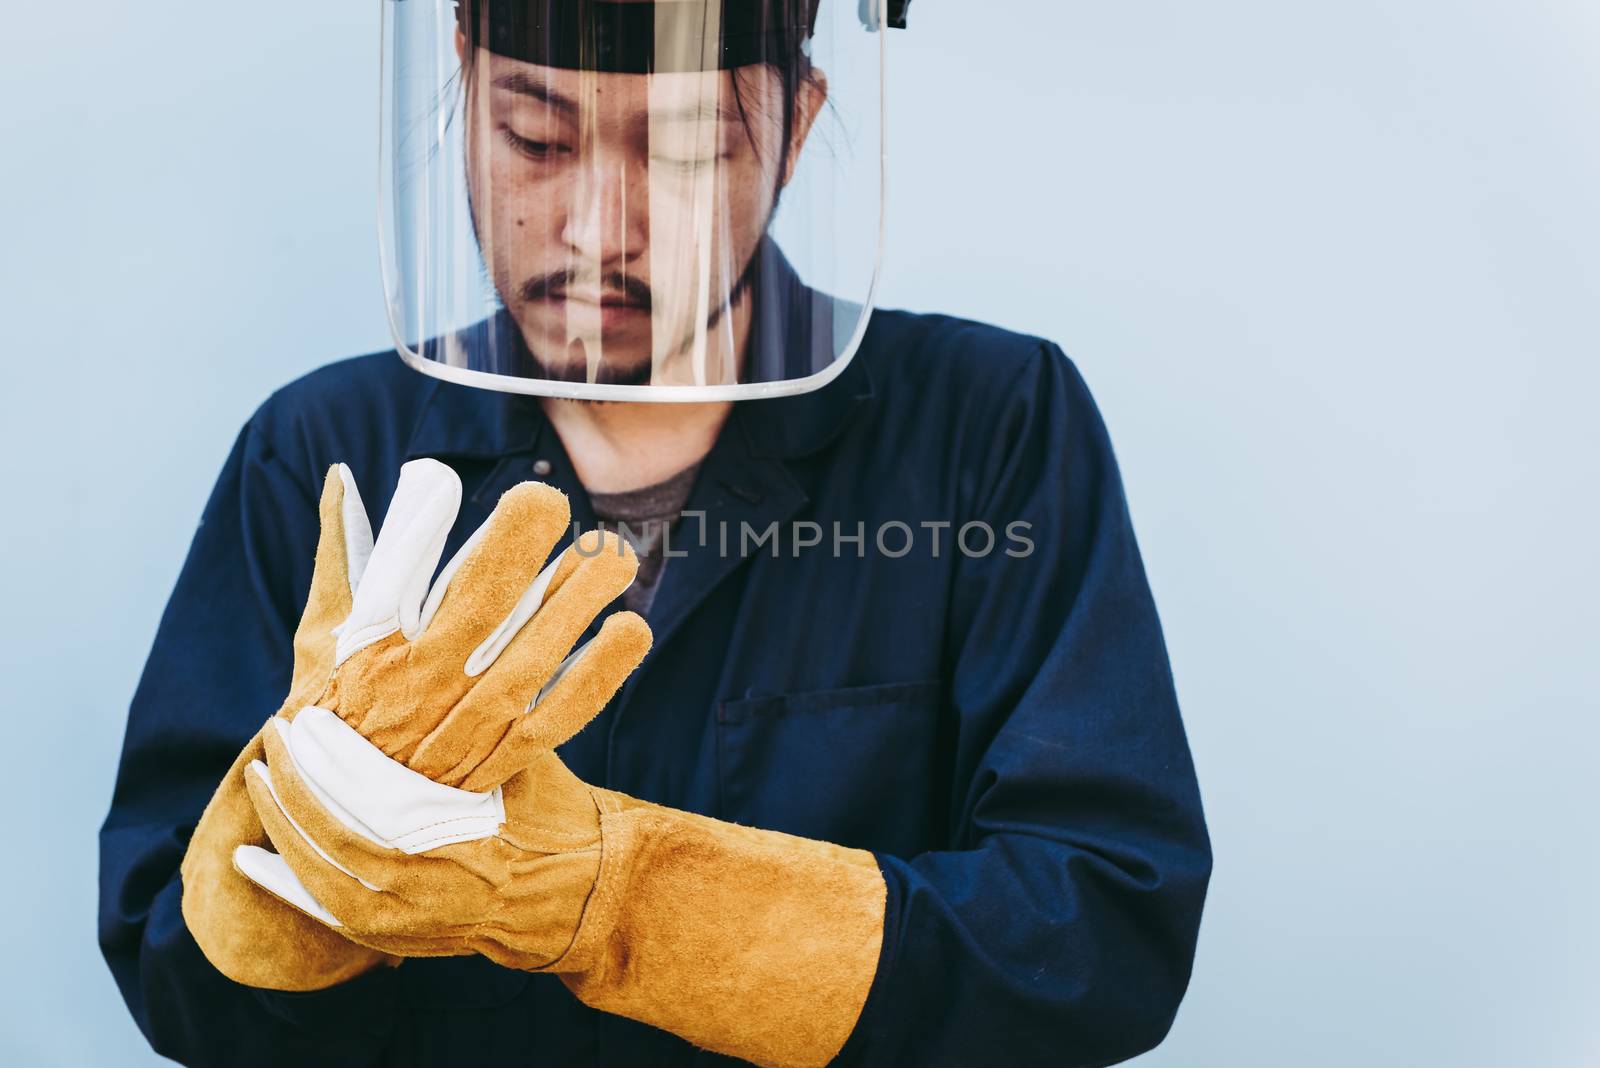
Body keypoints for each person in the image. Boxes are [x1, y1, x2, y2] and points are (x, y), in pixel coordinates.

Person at [99, 2, 1211, 1065]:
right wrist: (298, 906)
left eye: (684, 153)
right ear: (461, 85)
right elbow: (174, 979)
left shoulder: (989, 422)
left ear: (797, 126)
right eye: (534, 137)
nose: (597, 229)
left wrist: (627, 899)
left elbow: (1100, 940)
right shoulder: (324, 451)